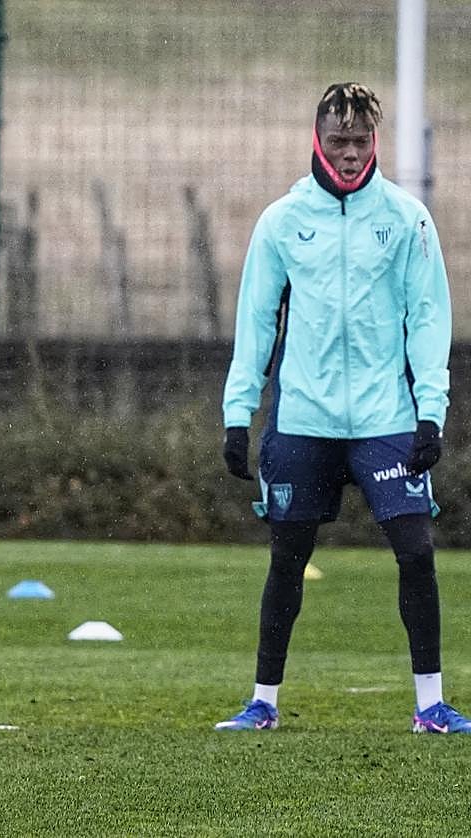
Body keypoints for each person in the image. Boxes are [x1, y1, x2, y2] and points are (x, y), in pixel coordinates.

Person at [217, 82, 467, 733]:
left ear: (374, 141)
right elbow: (256, 322)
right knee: (287, 559)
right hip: (303, 420)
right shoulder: (282, 221)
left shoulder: (407, 219)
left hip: (388, 419)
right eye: (338, 142)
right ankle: (263, 703)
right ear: (318, 140)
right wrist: (238, 415)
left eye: (360, 141)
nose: (350, 153)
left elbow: (428, 318)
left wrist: (431, 412)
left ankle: (431, 706)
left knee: (416, 551)